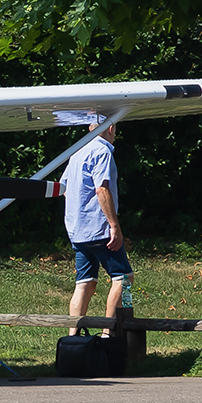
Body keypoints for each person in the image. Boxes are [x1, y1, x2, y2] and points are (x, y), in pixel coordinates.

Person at [63, 121, 132, 337]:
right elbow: (102, 189)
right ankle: (110, 331)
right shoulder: (102, 152)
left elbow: (64, 188)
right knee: (125, 279)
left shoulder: (77, 152)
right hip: (99, 229)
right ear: (110, 129)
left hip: (77, 229)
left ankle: (72, 337)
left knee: (85, 282)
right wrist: (114, 225)